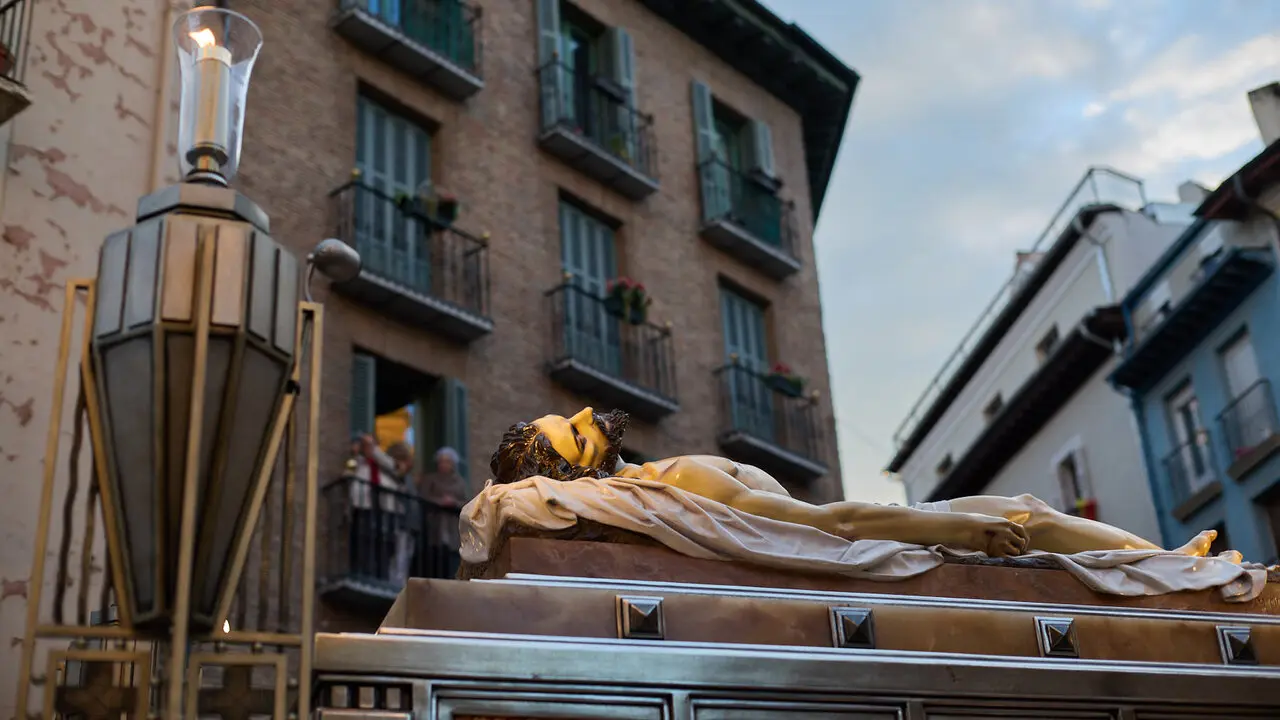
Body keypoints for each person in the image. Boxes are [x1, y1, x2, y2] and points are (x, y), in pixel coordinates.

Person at [489, 407, 1226, 559]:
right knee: (1030, 518)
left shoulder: (665, 480)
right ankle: (1171, 568)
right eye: (576, 432)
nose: (588, 412)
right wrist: (956, 530)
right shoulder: (674, 479)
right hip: (863, 533)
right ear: (579, 471)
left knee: (1031, 511)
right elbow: (831, 524)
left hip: (858, 525)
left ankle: (1166, 564)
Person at [345, 434, 402, 580]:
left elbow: (394, 467)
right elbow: (347, 472)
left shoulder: (384, 464)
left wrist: (374, 450)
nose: (369, 449)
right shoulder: (358, 462)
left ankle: (382, 574)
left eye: (372, 446)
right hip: (364, 505)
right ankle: (364, 572)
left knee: (383, 541)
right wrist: (354, 453)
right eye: (366, 446)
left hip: (384, 507)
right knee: (364, 539)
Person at [418, 446, 468, 577]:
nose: (443, 464)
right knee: (436, 555)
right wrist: (439, 501)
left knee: (451, 558)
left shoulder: (460, 482)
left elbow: (466, 502)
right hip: (435, 522)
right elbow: (423, 497)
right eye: (441, 461)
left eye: (446, 461)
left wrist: (454, 502)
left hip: (452, 525)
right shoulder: (431, 479)